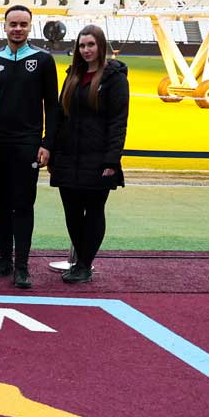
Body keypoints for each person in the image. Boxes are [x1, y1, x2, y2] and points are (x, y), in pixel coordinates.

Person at [0, 4, 60, 290]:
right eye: (13, 24)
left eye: (23, 24)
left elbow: (52, 105)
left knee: (23, 205)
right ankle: (4, 260)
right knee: (1, 205)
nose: (18, 29)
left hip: (27, 145)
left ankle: (22, 267)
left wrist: (47, 143)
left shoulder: (43, 60)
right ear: (4, 26)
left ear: (30, 26)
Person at [48, 24, 128, 284]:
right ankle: (80, 262)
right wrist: (50, 147)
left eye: (91, 45)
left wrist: (111, 160)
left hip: (97, 156)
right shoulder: (72, 75)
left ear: (101, 46)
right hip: (68, 155)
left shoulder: (115, 78)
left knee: (93, 210)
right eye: (82, 45)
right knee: (72, 212)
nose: (86, 50)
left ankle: (84, 264)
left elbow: (118, 121)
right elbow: (60, 115)